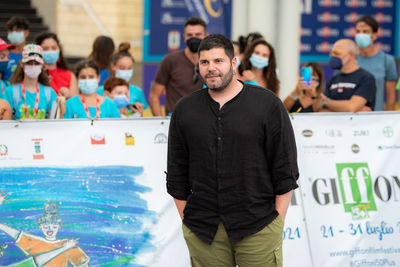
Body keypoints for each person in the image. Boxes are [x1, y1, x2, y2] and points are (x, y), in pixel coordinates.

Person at [167, 34, 298, 266]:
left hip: (259, 226)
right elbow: (176, 172)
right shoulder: (185, 110)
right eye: (204, 62)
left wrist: (277, 221)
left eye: (218, 61)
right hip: (203, 230)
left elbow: (285, 168)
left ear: (234, 63)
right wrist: (187, 218)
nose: (211, 68)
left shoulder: (267, 105)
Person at [0, 202, 90, 267]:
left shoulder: (68, 244)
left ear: (59, 227)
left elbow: (83, 265)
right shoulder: (34, 242)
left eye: (54, 226)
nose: (50, 229)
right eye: (46, 226)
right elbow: (15, 233)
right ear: (40, 227)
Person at [149, 17, 207, 116]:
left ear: (206, 36)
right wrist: (163, 124)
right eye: (190, 35)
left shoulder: (212, 62)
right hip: (175, 123)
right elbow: (154, 96)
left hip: (204, 123)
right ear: (184, 37)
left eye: (198, 35)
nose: (194, 38)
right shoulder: (170, 60)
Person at [314, 39, 376, 112]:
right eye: (331, 54)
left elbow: (351, 107)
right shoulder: (332, 80)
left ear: (351, 55)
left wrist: (325, 102)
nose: (333, 57)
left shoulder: (366, 78)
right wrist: (348, 109)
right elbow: (321, 111)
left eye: (336, 54)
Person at [355, 15, 398, 111]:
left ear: (375, 35)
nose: (360, 35)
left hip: (377, 119)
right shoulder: (349, 59)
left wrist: (388, 121)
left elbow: (391, 96)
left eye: (365, 31)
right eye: (358, 32)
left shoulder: (387, 60)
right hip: (351, 118)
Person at [4, 44, 57, 120]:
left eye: (36, 63)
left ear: (42, 66)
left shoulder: (49, 93)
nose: (33, 66)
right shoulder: (10, 91)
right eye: (29, 63)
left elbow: (53, 124)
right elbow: (5, 124)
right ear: (22, 64)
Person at [97, 42, 148, 112]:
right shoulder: (100, 91)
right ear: (113, 66)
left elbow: (144, 116)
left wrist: (139, 113)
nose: (126, 71)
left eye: (129, 68)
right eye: (122, 68)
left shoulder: (137, 91)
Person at [34, 32, 78, 98]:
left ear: (59, 50)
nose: (50, 51)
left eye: (54, 48)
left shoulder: (70, 76)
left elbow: (75, 103)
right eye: (45, 49)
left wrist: (69, 96)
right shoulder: (33, 73)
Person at [4, 16, 30, 81]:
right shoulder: (3, 54)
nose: (14, 33)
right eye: (11, 31)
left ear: (26, 33)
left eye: (17, 30)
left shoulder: (32, 53)